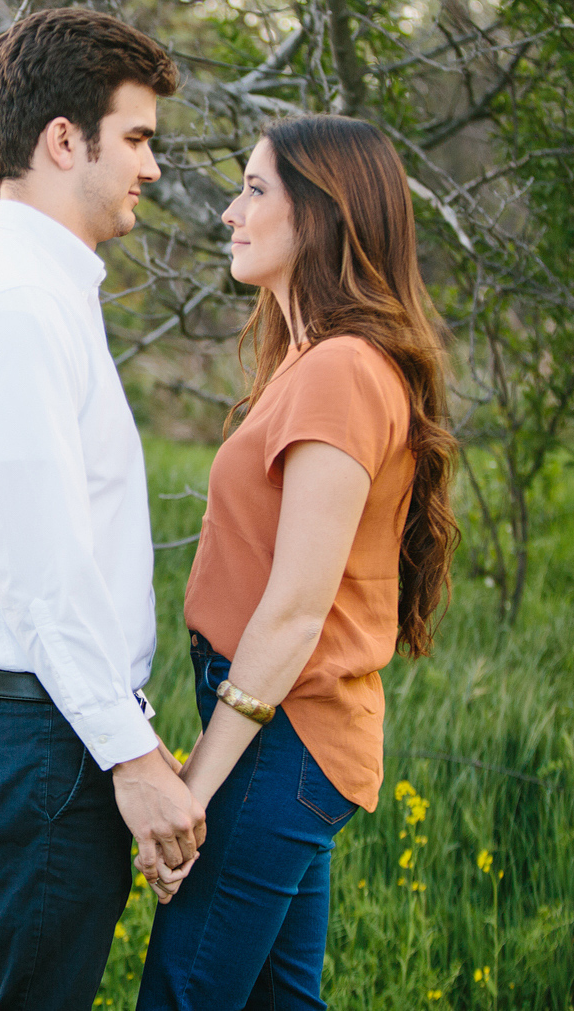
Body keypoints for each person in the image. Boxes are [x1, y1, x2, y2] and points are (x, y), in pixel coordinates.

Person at [0, 7, 203, 1011]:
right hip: (27, 742)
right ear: (62, 140)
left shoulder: (45, 294)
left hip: (42, 730)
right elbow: (36, 567)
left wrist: (134, 742)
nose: (150, 167)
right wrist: (131, 757)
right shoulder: (15, 307)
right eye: (135, 138)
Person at [137, 114, 459, 1010]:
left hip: (284, 735)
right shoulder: (313, 360)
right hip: (281, 730)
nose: (231, 214)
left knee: (182, 996)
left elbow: (294, 609)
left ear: (320, 215)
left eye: (254, 189)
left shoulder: (342, 371)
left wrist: (192, 790)